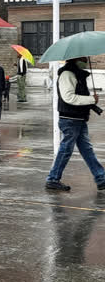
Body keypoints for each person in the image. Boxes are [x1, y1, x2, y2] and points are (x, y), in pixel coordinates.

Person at [46, 57, 105, 191]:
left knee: (87, 150)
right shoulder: (67, 74)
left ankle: (101, 178)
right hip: (70, 119)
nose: (85, 60)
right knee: (66, 149)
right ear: (75, 59)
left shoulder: (77, 74)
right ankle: (53, 178)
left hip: (79, 118)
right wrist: (91, 99)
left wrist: (92, 104)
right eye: (83, 58)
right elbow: (69, 97)